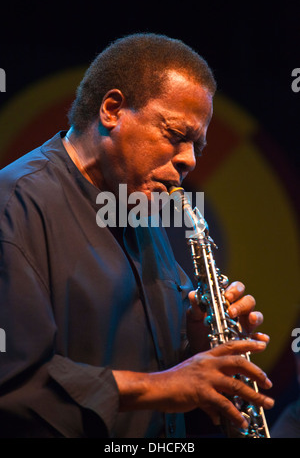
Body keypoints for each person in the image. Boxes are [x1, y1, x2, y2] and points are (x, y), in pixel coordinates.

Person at [0, 33, 274, 438]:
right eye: (176, 135)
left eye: (197, 146)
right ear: (112, 110)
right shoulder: (14, 204)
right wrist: (166, 386)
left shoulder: (139, 207)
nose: (189, 160)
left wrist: (200, 340)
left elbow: (166, 366)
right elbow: (15, 385)